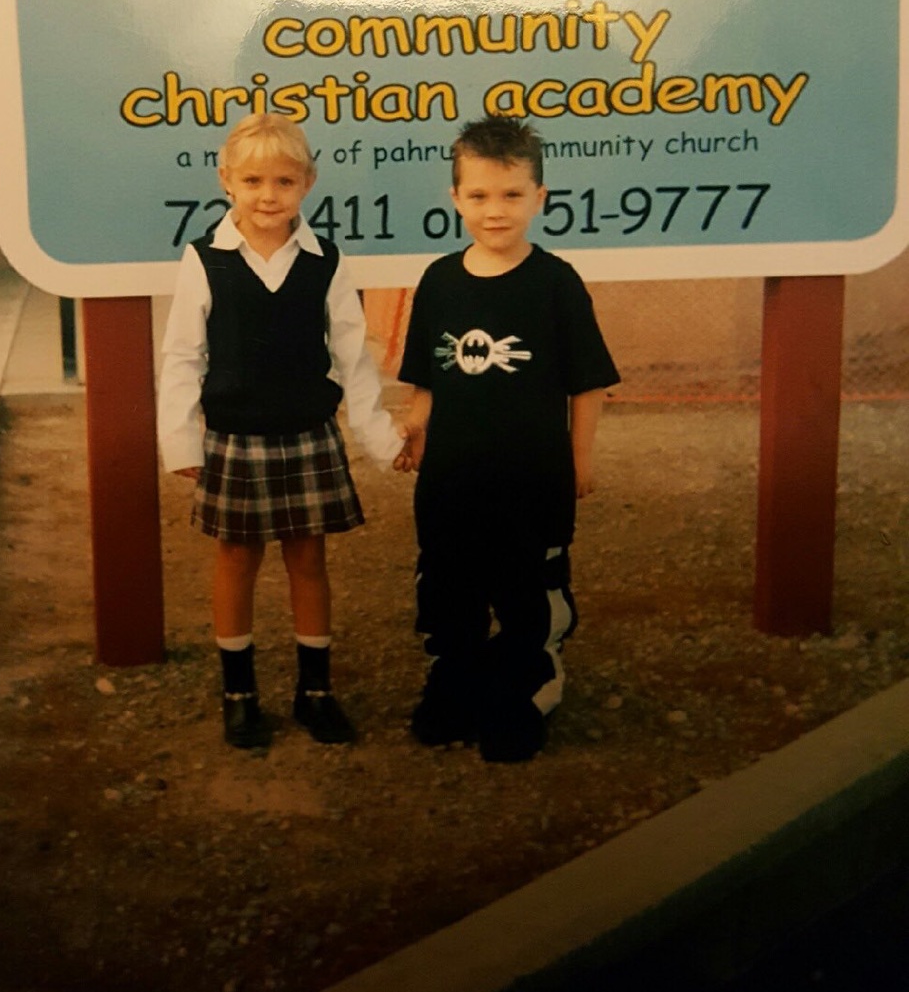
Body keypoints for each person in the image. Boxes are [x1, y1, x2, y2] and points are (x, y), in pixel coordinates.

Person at [158, 113, 402, 750]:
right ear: (226, 180)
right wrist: (180, 440)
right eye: (253, 181)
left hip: (306, 435)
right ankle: (239, 694)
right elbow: (182, 355)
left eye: (284, 181)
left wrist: (381, 438)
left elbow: (352, 356)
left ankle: (315, 691)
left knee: (309, 560)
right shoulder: (206, 260)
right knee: (236, 559)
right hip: (234, 440)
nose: (268, 195)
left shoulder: (325, 262)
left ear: (308, 183)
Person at [394, 115, 619, 763]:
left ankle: (526, 686)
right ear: (455, 198)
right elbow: (428, 377)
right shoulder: (438, 281)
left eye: (512, 194)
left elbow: (587, 385)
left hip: (532, 478)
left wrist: (578, 460)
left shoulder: (555, 283)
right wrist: (415, 427)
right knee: (447, 584)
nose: (495, 210)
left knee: (528, 589)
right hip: (451, 479)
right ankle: (455, 678)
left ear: (538, 198)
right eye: (479, 195)